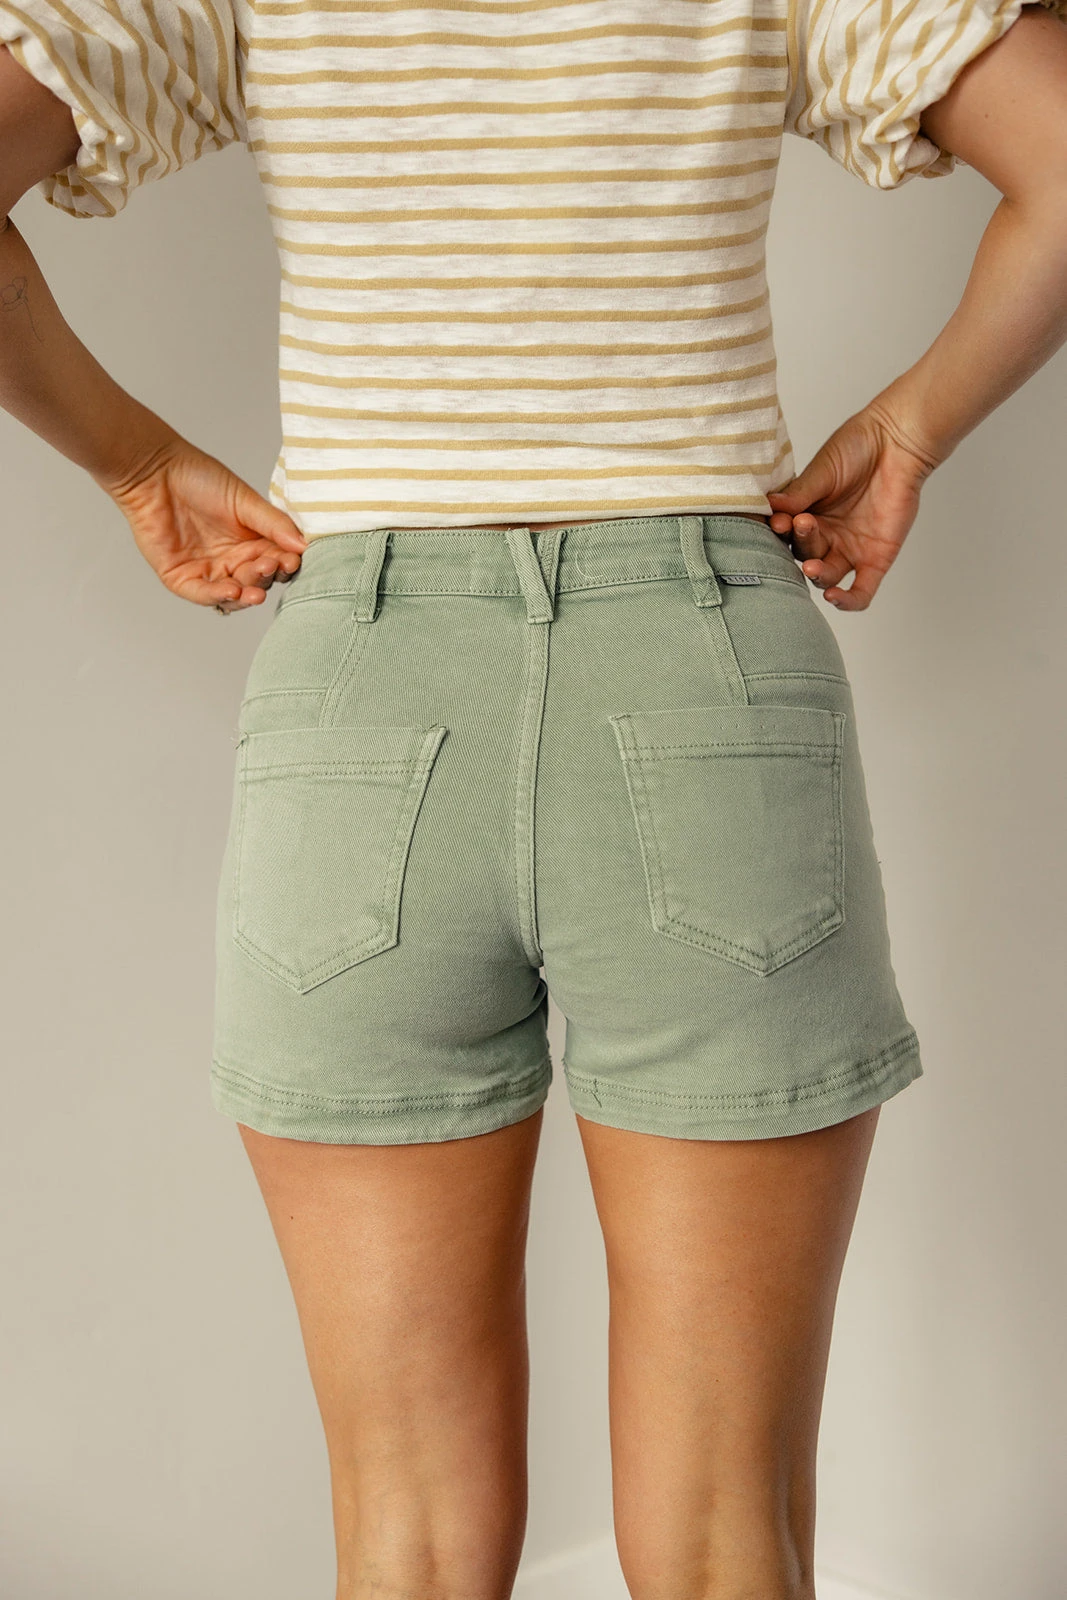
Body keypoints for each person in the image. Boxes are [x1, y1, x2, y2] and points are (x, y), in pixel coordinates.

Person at [2, 3, 1065, 1596]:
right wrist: (907, 431)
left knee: (408, 1540)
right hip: (700, 675)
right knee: (723, 1542)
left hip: (369, 692)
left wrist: (137, 462)